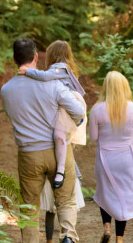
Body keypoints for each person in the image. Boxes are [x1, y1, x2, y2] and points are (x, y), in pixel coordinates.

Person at [0, 38, 85, 243]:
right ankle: (68, 238)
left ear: (14, 59)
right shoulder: (53, 84)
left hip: (28, 154)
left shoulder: (6, 91)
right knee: (65, 200)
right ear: (36, 57)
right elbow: (78, 110)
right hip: (58, 152)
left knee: (29, 206)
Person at [89, 71, 133, 243]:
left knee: (105, 193)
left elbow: (93, 137)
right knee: (124, 196)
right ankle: (119, 242)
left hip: (105, 158)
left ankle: (107, 227)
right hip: (126, 159)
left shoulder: (97, 109)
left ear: (106, 87)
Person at [19, 40, 87, 189]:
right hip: (67, 106)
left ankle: (62, 172)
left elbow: (44, 76)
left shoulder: (59, 68)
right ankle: (74, 174)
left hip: (69, 107)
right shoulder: (65, 69)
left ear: (53, 55)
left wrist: (27, 71)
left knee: (59, 136)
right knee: (61, 143)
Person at [39, 174, 85, 243]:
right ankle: (68, 238)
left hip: (50, 176)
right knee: (68, 208)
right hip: (68, 176)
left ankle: (49, 242)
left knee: (50, 211)